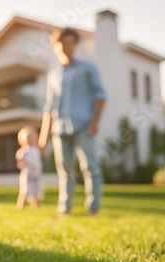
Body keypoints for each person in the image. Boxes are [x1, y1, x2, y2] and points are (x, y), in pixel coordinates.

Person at [38, 28, 106, 215]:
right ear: (55, 46)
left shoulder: (88, 69)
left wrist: (95, 122)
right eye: (62, 43)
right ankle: (65, 208)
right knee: (64, 172)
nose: (67, 47)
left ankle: (93, 208)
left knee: (91, 168)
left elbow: (100, 96)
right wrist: (43, 139)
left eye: (71, 42)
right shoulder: (53, 75)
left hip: (84, 126)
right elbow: (49, 108)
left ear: (75, 45)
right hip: (59, 130)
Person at [16, 126, 44, 211]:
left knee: (37, 193)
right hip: (27, 177)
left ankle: (36, 209)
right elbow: (19, 162)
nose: (30, 139)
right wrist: (22, 162)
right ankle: (21, 208)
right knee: (25, 192)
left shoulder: (37, 149)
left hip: (37, 176)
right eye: (28, 137)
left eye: (31, 136)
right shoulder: (23, 151)